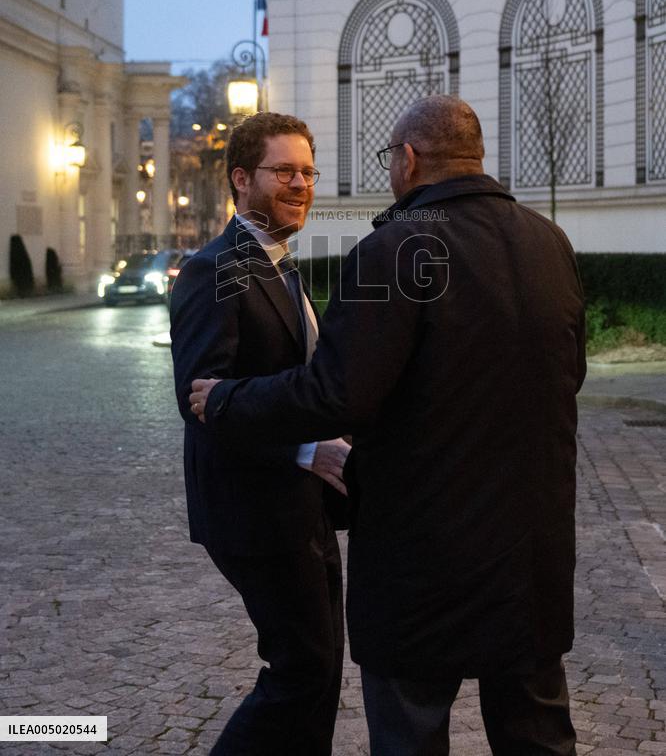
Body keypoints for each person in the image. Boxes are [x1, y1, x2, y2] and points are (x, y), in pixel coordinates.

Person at [190, 95, 587, 756]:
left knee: (410, 732)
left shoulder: (397, 247)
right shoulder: (549, 242)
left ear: (407, 159)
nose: (301, 185)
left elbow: (338, 392)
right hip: (532, 560)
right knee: (539, 737)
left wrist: (229, 400)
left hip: (423, 566)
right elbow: (565, 376)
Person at [170, 111, 350, 756]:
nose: (301, 184)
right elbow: (199, 401)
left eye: (308, 171)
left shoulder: (279, 262)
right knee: (301, 668)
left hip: (302, 505)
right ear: (241, 179)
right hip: (252, 508)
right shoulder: (212, 269)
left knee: (320, 667)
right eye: (284, 171)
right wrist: (306, 449)